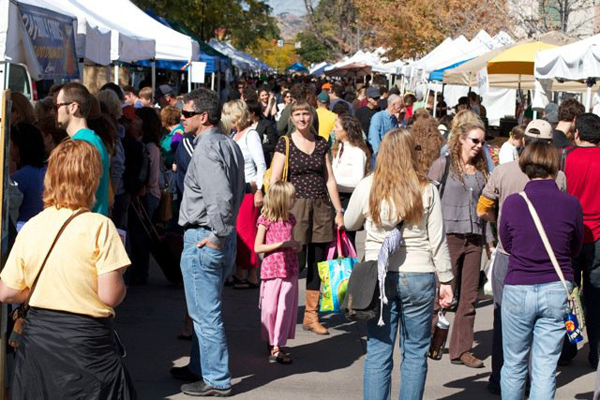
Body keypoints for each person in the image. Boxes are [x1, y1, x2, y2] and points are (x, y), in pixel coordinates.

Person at [0, 140, 135, 399]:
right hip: (87, 346)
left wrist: (44, 291)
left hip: (38, 344)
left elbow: (6, 292)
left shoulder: (32, 226)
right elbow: (110, 295)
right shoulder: (100, 226)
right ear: (92, 179)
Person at [344, 128, 453, 400]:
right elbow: (437, 239)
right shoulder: (426, 187)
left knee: (379, 351)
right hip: (419, 274)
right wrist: (447, 280)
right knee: (415, 352)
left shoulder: (369, 185)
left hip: (377, 277)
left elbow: (349, 223)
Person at [476, 119, 567, 394]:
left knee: (505, 324)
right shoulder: (559, 178)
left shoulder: (503, 171)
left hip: (509, 256)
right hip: (550, 265)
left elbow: (482, 208)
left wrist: (496, 223)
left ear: (523, 141)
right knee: (543, 357)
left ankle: (498, 380)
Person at [499, 141, 583, 399]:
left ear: (526, 166)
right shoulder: (570, 203)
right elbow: (576, 246)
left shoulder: (513, 203)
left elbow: (506, 242)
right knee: (545, 367)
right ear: (555, 167)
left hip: (518, 285)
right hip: (556, 288)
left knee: (514, 364)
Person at [178, 88, 245, 396]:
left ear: (203, 117)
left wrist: (217, 235)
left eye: (187, 113)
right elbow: (235, 193)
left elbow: (221, 197)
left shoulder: (208, 149)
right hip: (215, 235)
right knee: (203, 311)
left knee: (206, 314)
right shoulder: (227, 144)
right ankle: (200, 367)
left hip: (206, 236)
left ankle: (216, 379)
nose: (181, 117)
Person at [269, 101, 345, 336]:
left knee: (319, 263)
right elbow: (275, 179)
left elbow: (329, 178)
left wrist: (339, 210)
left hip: (321, 206)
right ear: (291, 118)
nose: (302, 119)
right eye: (298, 115)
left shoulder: (322, 142)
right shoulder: (286, 142)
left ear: (312, 116)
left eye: (306, 114)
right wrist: (276, 209)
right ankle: (286, 310)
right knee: (295, 261)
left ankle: (311, 316)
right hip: (295, 208)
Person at [428, 121, 493, 369]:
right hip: (449, 236)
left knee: (468, 298)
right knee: (442, 292)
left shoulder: (482, 170)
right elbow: (429, 202)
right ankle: (430, 341)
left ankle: (462, 350)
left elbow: (485, 208)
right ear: (461, 139)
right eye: (475, 141)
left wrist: (489, 241)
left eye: (482, 142)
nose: (479, 146)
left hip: (474, 236)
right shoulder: (443, 165)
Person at [562, 113, 600, 369]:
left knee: (568, 294)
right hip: (598, 234)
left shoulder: (566, 157)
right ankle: (595, 351)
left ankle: (568, 347)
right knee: (596, 295)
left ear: (577, 133)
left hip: (570, 234)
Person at [254, 181, 302, 364]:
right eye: (291, 197)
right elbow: (258, 247)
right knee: (269, 309)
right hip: (271, 269)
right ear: (281, 200)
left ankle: (277, 345)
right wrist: (281, 245)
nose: (294, 200)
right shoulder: (265, 219)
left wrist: (295, 246)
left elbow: (292, 240)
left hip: (289, 268)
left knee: (284, 309)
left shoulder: (290, 219)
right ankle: (270, 339)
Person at [222, 100, 266, 289]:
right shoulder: (234, 134)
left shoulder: (251, 134)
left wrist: (260, 190)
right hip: (235, 190)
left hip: (249, 189)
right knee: (237, 232)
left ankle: (251, 274)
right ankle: (240, 271)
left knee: (247, 233)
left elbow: (261, 164)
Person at [56, 82, 109, 216]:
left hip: (84, 227)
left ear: (73, 107)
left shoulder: (82, 144)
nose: (54, 111)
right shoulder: (93, 139)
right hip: (90, 224)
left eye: (57, 106)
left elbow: (76, 196)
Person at [128, 107, 162, 286]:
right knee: (140, 234)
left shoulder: (148, 146)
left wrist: (141, 189)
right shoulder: (150, 144)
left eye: (138, 118)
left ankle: (141, 272)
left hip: (147, 193)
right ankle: (141, 270)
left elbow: (147, 174)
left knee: (140, 234)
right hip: (150, 192)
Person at [332, 115, 370, 248]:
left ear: (347, 131)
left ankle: (348, 268)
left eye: (336, 127)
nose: (333, 130)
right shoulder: (339, 149)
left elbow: (357, 181)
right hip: (335, 199)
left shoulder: (357, 152)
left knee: (346, 242)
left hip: (348, 201)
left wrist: (333, 183)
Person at [10, 122, 46, 225]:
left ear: (18, 147)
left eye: (11, 144)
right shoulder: (47, 171)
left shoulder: (19, 178)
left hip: (22, 231)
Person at [368, 94, 402, 160]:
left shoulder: (394, 119)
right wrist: (380, 157)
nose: (401, 109)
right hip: (380, 158)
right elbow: (374, 139)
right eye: (400, 106)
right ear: (393, 105)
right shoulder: (378, 117)